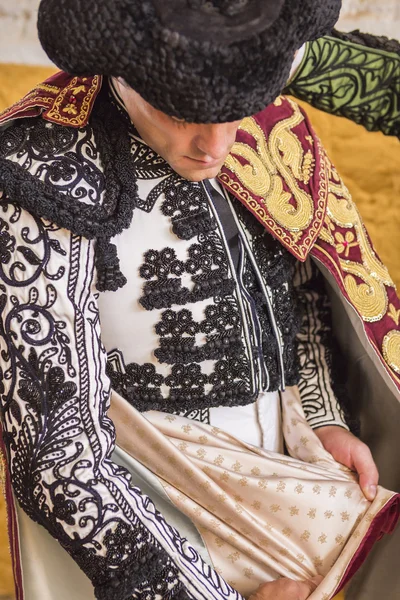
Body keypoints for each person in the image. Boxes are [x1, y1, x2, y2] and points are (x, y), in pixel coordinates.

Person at [0, 1, 399, 600]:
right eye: (176, 109)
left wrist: (320, 418)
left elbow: (299, 284)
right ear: (122, 70)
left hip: (294, 486)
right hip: (150, 511)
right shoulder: (42, 166)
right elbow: (59, 447)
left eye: (234, 112)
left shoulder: (268, 119)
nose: (214, 146)